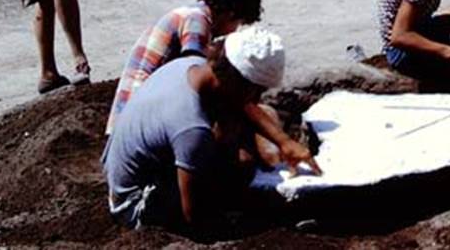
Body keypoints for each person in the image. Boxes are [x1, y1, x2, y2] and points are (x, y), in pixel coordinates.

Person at [105, 0, 317, 176]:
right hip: (144, 128)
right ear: (231, 14)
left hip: (137, 119)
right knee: (237, 123)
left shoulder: (189, 14)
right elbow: (207, 85)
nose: (234, 31)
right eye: (238, 24)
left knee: (253, 115)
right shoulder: (196, 22)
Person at [104, 27, 309, 235]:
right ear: (238, 83)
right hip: (136, 206)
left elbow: (244, 106)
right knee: (239, 166)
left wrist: (284, 141)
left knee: (241, 127)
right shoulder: (191, 128)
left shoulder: (191, 67)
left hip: (124, 178)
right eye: (255, 91)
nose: (255, 99)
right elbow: (194, 216)